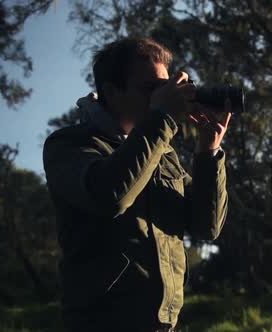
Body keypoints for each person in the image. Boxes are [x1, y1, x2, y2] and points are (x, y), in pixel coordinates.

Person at [43, 37, 230, 332]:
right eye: (150, 88)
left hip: (164, 324)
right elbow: (110, 196)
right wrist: (162, 118)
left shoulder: (162, 152)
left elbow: (206, 226)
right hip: (101, 323)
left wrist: (208, 153)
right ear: (111, 91)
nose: (163, 96)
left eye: (165, 87)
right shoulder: (70, 144)